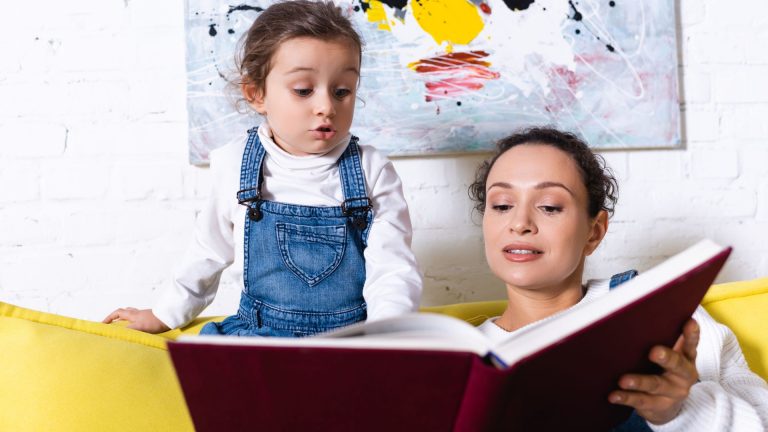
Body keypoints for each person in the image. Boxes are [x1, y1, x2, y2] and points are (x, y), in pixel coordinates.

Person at [103, 0, 421, 336]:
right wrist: (165, 313)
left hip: (346, 339)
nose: (326, 107)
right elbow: (209, 249)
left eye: (342, 91)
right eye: (303, 90)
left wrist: (388, 335)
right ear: (256, 94)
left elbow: (393, 268)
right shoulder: (235, 162)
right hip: (259, 335)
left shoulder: (372, 169)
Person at [468, 127, 768, 430]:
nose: (519, 223)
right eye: (502, 205)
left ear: (594, 231)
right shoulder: (461, 358)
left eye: (549, 206)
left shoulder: (661, 311)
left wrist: (681, 411)